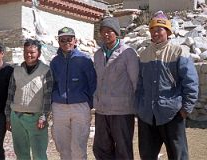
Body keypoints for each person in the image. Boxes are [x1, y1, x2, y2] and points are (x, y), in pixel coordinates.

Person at [137, 11, 199, 160]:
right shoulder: (144, 55)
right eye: (153, 29)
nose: (156, 33)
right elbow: (139, 85)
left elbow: (191, 82)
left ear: (168, 31)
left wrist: (186, 108)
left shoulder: (179, 52)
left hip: (172, 114)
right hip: (147, 115)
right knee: (147, 155)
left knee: (178, 155)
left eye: (160, 29)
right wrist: (139, 107)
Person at [93, 17, 139, 160]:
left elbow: (136, 81)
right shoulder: (98, 54)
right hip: (102, 110)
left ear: (117, 33)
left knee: (123, 149)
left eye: (110, 31)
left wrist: (137, 107)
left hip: (122, 111)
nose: (106, 34)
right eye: (103, 31)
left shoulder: (128, 53)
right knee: (101, 148)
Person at [50, 27, 96, 160]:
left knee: (78, 147)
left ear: (75, 41)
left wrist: (89, 103)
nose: (66, 43)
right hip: (59, 107)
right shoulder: (55, 62)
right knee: (63, 147)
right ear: (58, 42)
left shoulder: (85, 59)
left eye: (69, 39)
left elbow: (92, 82)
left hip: (80, 107)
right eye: (62, 40)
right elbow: (52, 83)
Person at [5, 39, 53, 160]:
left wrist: (44, 116)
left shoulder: (45, 70)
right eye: (26, 52)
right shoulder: (16, 70)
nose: (29, 55)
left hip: (36, 118)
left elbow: (48, 95)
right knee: (21, 153)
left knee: (39, 154)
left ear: (39, 54)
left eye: (32, 52)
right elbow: (10, 93)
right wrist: (8, 117)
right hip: (16, 117)